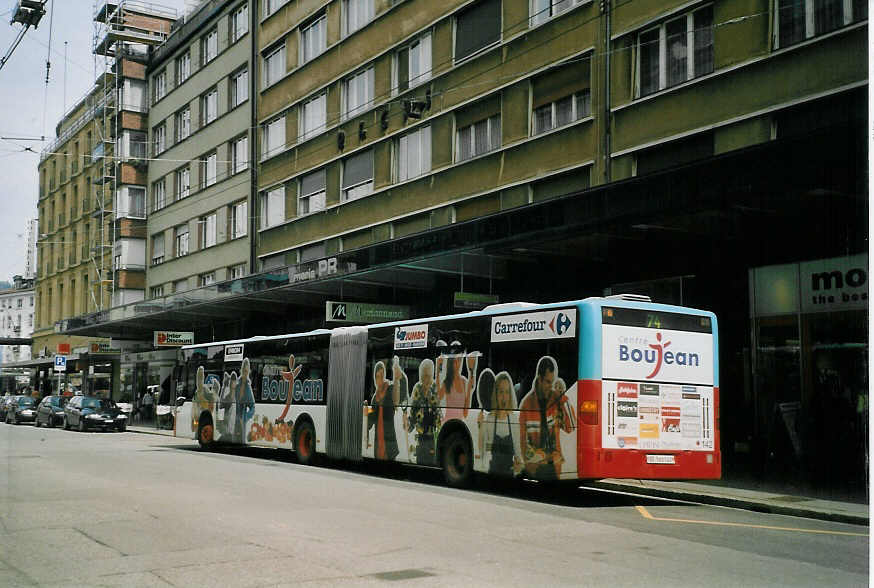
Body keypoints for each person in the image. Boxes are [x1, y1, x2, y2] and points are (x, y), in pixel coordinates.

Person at [519, 356, 573, 480]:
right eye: (548, 382)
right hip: (536, 468)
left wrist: (564, 400)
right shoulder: (526, 404)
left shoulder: (556, 398)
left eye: (552, 382)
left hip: (555, 468)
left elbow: (570, 428)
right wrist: (543, 456)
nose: (550, 386)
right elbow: (523, 446)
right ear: (539, 379)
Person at [478, 371, 523, 476]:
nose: (504, 397)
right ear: (496, 394)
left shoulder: (513, 419)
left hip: (510, 473)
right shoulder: (489, 419)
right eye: (501, 392)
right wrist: (480, 427)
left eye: (507, 392)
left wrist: (519, 465)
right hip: (491, 472)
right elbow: (482, 450)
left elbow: (518, 451)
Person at [366, 358, 406, 461]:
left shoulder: (390, 388)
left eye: (382, 376)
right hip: (378, 439)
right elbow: (370, 422)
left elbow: (401, 395)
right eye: (377, 377)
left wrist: (400, 377)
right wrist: (367, 409)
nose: (379, 380)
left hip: (388, 437)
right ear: (375, 378)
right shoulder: (375, 398)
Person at [405, 359, 441, 465]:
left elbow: (438, 412)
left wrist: (430, 397)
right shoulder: (417, 388)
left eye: (429, 376)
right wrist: (409, 425)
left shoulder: (435, 388)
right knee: (420, 459)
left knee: (431, 459)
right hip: (420, 435)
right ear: (421, 375)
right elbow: (413, 410)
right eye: (424, 375)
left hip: (432, 435)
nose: (426, 379)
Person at [436, 342, 477, 422]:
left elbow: (465, 413)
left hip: (459, 424)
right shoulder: (447, 382)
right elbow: (438, 398)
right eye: (455, 361)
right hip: (447, 422)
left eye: (459, 360)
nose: (458, 363)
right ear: (451, 363)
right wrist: (437, 372)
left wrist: (471, 372)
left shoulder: (464, 382)